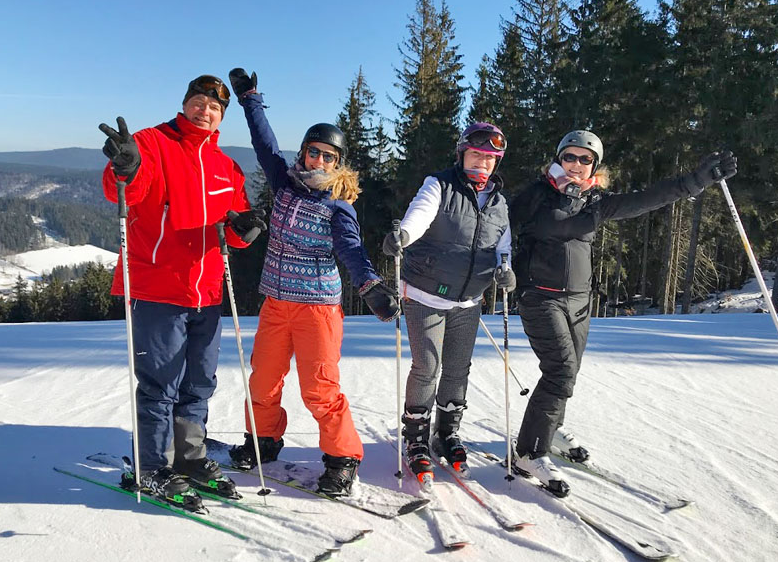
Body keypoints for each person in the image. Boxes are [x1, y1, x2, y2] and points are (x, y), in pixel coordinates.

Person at [509, 130, 737, 497]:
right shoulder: (536, 196)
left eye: (586, 160)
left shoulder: (596, 201)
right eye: (570, 157)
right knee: (560, 370)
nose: (577, 165)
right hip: (539, 297)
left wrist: (696, 181)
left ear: (594, 166)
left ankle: (549, 431)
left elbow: (646, 199)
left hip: (581, 300)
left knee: (569, 371)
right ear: (558, 158)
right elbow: (493, 225)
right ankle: (528, 453)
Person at [223, 68, 399, 497]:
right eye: (313, 152)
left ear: (338, 164)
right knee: (263, 381)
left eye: (328, 156)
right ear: (303, 153)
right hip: (275, 304)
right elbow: (264, 144)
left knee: (319, 389)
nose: (318, 161)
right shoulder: (285, 183)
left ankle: (342, 459)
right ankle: (263, 441)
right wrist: (251, 100)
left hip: (317, 308)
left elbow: (352, 251)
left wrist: (370, 285)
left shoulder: (337, 206)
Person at [99, 74, 266, 508]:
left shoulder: (226, 166)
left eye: (213, 108)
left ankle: (189, 458)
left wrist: (245, 230)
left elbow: (236, 225)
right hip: (158, 286)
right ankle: (153, 467)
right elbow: (124, 190)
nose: (204, 111)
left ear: (220, 118)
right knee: (160, 384)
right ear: (185, 104)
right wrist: (126, 167)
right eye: (197, 102)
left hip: (207, 291)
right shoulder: (151, 143)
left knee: (199, 384)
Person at [382, 122, 514, 484]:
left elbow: (503, 247)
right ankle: (416, 438)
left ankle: (446, 432)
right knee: (427, 366)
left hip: (468, 300)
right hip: (425, 292)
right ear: (462, 154)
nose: (483, 163)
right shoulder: (439, 184)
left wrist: (506, 271)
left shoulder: (499, 204)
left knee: (457, 369)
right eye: (476, 155)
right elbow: (420, 215)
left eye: (490, 159)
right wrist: (403, 236)